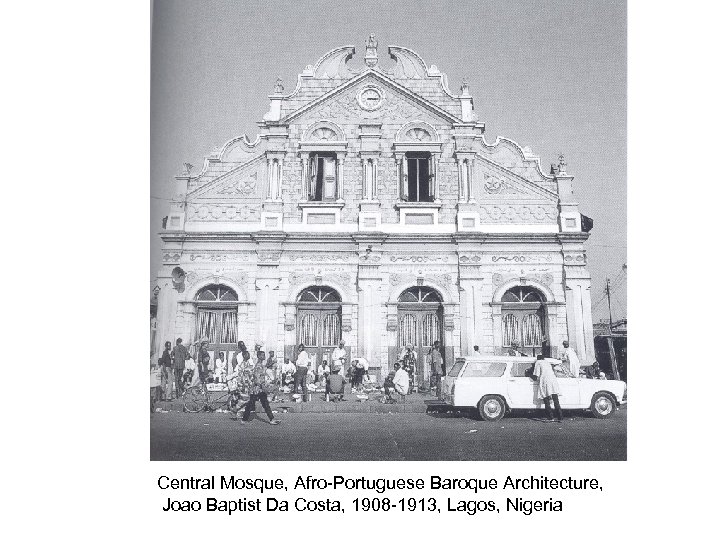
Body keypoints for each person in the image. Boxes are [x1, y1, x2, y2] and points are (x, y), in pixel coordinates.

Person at [237, 351, 280, 425]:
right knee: (250, 404)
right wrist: (263, 386)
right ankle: (244, 419)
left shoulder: (261, 365)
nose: (264, 356)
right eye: (262, 355)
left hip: (260, 388)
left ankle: (272, 419)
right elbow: (257, 379)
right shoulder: (258, 366)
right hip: (256, 389)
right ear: (259, 356)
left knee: (265, 404)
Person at [533, 355, 563, 422]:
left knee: (546, 399)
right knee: (556, 399)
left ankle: (550, 417)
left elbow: (536, 376)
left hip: (545, 381)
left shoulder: (538, 363)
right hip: (553, 380)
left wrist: (530, 375)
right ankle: (560, 417)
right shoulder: (547, 362)